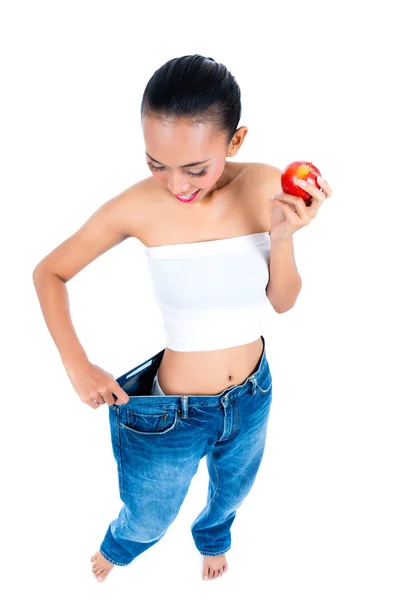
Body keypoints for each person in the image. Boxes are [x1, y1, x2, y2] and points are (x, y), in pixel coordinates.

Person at [32, 54, 332, 584]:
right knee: (149, 516)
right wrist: (77, 365)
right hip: (171, 416)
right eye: (156, 163)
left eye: (196, 168)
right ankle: (119, 546)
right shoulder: (137, 206)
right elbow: (49, 272)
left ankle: (214, 538)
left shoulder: (266, 183)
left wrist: (283, 236)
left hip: (254, 391)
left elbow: (282, 303)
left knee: (234, 491)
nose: (176, 184)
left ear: (235, 142)